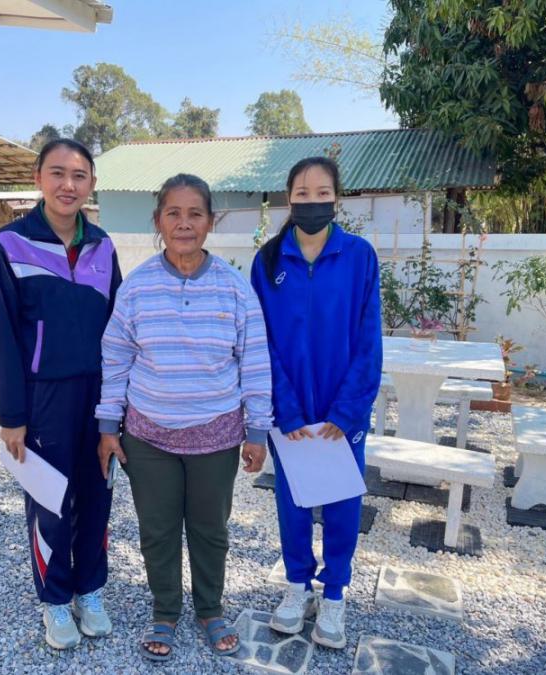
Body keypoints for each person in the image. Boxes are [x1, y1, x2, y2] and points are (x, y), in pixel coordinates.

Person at [95, 174, 272, 662]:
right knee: (157, 529)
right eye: (173, 213)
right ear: (158, 221)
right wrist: (108, 427)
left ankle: (210, 608)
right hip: (148, 437)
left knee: (210, 529)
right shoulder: (137, 288)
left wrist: (257, 430)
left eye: (195, 213)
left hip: (216, 436)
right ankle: (165, 610)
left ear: (210, 222)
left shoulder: (234, 289)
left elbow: (255, 362)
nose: (184, 223)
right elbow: (116, 360)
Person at [0, 138, 122, 650]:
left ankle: (90, 590)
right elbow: (3, 336)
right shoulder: (10, 244)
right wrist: (12, 414)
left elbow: (118, 332)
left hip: (98, 397)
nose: (69, 185)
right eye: (58, 173)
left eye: (79, 175)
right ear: (39, 178)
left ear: (92, 184)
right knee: (51, 500)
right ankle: (56, 600)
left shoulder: (103, 246)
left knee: (98, 496)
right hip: (43, 399)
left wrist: (118, 407)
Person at [250, 156, 382, 649]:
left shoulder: (359, 256)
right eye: (302, 193)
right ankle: (297, 586)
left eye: (322, 193)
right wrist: (284, 408)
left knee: (344, 502)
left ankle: (335, 594)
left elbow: (369, 340)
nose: (312, 201)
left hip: (341, 412)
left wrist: (347, 412)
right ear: (289, 198)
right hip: (290, 412)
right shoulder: (268, 261)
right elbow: (260, 340)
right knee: (293, 502)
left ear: (337, 199)